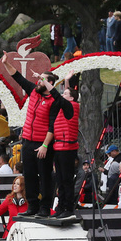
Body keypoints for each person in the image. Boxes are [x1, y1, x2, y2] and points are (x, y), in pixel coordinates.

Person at [0, 53, 67, 217]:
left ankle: (45, 208)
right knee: (29, 175)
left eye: (42, 79)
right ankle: (32, 206)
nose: (38, 81)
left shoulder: (54, 101)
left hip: (42, 144)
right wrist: (6, 63)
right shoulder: (34, 92)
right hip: (28, 141)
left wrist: (45, 145)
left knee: (45, 176)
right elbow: (18, 77)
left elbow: (52, 126)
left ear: (50, 83)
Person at [51, 82, 80, 219]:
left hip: (67, 147)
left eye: (66, 94)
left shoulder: (73, 106)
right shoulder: (64, 106)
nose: (63, 95)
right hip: (59, 146)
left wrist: (45, 81)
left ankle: (68, 207)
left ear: (72, 98)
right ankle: (61, 206)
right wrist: (67, 82)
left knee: (66, 179)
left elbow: (57, 96)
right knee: (60, 179)